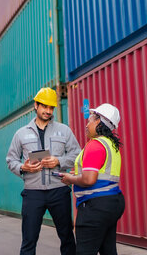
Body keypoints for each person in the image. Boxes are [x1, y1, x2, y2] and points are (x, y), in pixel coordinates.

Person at [6, 87, 81, 255]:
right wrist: (23, 168)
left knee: (67, 237)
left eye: (51, 108)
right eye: (44, 107)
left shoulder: (64, 130)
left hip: (59, 191)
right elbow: (10, 160)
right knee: (29, 240)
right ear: (36, 106)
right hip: (33, 193)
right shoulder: (21, 134)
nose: (48, 111)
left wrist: (59, 161)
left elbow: (77, 154)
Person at [60, 103, 125, 255]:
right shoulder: (112, 145)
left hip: (95, 207)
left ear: (98, 121)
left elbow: (89, 179)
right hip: (113, 203)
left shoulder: (95, 145)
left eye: (90, 120)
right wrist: (77, 175)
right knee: (108, 251)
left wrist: (70, 178)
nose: (87, 124)